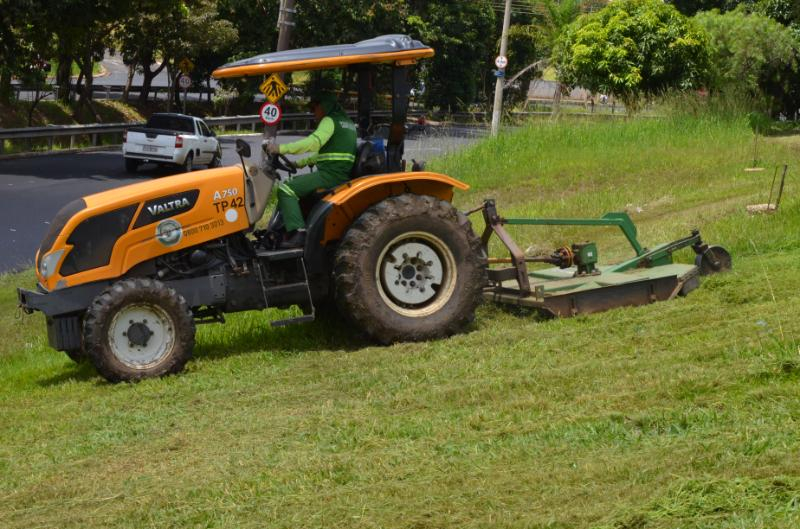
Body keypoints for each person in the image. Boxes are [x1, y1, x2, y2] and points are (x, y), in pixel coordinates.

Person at [264, 93, 357, 248]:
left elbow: (313, 143)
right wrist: (299, 163)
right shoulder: (348, 123)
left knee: (286, 188)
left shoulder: (329, 121)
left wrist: (281, 148)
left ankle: (297, 233)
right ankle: (282, 230)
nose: (314, 113)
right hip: (339, 173)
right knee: (293, 185)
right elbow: (328, 153)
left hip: (330, 175)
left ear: (324, 106)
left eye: (315, 108)